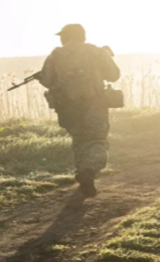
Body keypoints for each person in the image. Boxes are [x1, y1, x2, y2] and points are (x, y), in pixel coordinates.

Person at [39, 24, 121, 197]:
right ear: (82, 36)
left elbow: (47, 80)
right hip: (95, 105)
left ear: (66, 37)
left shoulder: (56, 55)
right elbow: (113, 75)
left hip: (67, 107)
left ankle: (84, 176)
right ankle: (89, 171)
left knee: (79, 142)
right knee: (97, 141)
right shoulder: (97, 52)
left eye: (62, 36)